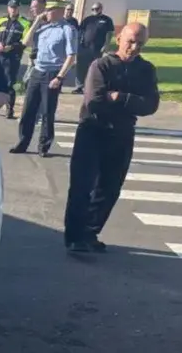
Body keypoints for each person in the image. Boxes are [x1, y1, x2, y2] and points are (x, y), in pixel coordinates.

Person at [63, 22, 159, 254]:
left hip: (122, 134)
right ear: (119, 39)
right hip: (93, 131)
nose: (135, 47)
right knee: (82, 186)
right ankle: (75, 237)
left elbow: (151, 104)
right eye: (131, 41)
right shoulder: (101, 65)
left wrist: (120, 98)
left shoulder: (146, 70)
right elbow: (94, 101)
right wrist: (130, 104)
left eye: (140, 43)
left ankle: (90, 232)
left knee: (110, 188)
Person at [9, 0, 78, 157]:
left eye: (50, 10)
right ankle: (23, 142)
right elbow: (25, 42)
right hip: (37, 71)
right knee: (28, 110)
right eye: (46, 10)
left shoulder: (68, 29)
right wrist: (37, 22)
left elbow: (71, 56)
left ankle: (43, 145)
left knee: (47, 111)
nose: (46, 12)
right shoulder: (43, 28)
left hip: (53, 74)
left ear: (60, 11)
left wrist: (60, 77)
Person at [0, 0, 31, 119]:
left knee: (10, 84)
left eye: (15, 7)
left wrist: (12, 47)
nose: (13, 10)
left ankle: (9, 110)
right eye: (11, 7)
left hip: (13, 58)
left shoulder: (24, 23)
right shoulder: (0, 20)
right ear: (8, 8)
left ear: (18, 9)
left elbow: (25, 42)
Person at [73, 2, 115, 95]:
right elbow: (81, 32)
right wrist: (79, 45)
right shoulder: (88, 19)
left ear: (101, 9)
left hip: (97, 48)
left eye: (97, 9)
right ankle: (79, 87)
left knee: (95, 67)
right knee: (81, 67)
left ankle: (92, 87)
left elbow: (110, 33)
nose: (95, 10)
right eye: (93, 9)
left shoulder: (106, 20)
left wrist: (106, 44)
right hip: (84, 47)